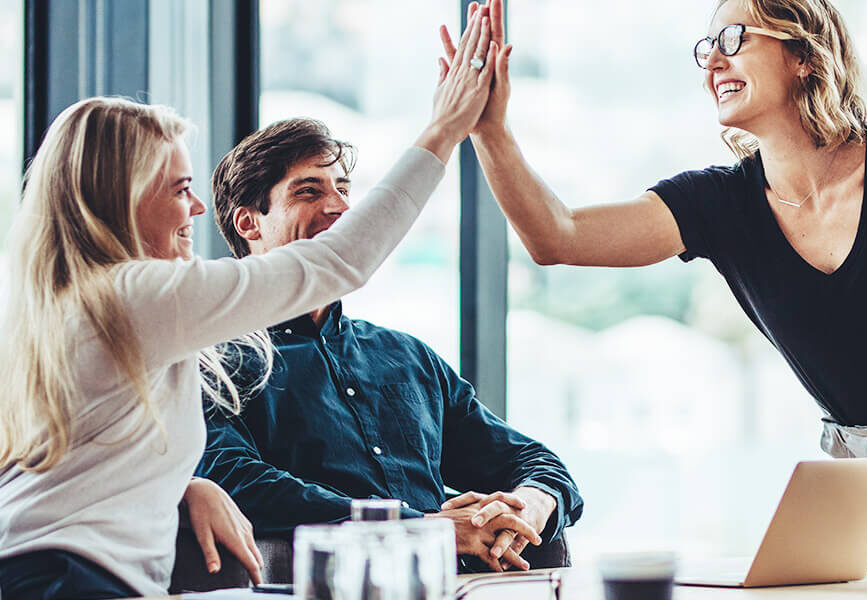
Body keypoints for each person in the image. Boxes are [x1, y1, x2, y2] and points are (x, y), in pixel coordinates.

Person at [0, 13, 497, 599]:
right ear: (124, 196)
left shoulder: (67, 306)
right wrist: (443, 131)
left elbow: (81, 459)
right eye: (179, 190)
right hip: (72, 582)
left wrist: (187, 486)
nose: (198, 210)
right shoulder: (132, 295)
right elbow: (338, 262)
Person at [450, 0, 867, 463]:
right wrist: (490, 131)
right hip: (856, 471)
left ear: (805, 55)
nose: (712, 60)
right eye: (706, 47)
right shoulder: (718, 204)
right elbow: (557, 237)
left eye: (734, 38)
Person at [197, 116, 583, 574]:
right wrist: (419, 528)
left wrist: (529, 505)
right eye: (309, 191)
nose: (340, 207)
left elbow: (532, 460)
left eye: (342, 188)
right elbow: (235, 479)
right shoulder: (214, 360)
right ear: (249, 223)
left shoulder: (407, 357)